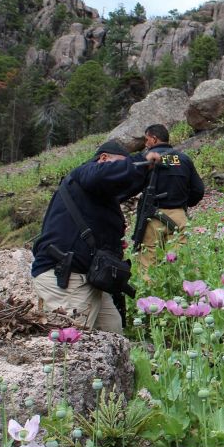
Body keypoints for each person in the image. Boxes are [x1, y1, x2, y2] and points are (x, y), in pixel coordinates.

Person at [31, 140, 162, 333]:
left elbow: (124, 182)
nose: (120, 173)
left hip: (88, 277)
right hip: (65, 278)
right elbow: (104, 175)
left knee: (112, 331)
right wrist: (139, 160)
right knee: (73, 345)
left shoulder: (98, 193)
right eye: (119, 164)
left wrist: (148, 169)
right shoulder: (85, 173)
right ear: (103, 159)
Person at [136, 124, 204, 276]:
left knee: (148, 265)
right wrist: (183, 204)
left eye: (147, 140)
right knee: (181, 265)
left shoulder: (146, 160)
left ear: (154, 139)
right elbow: (198, 189)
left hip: (151, 217)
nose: (145, 144)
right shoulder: (183, 159)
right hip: (179, 217)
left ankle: (150, 297)